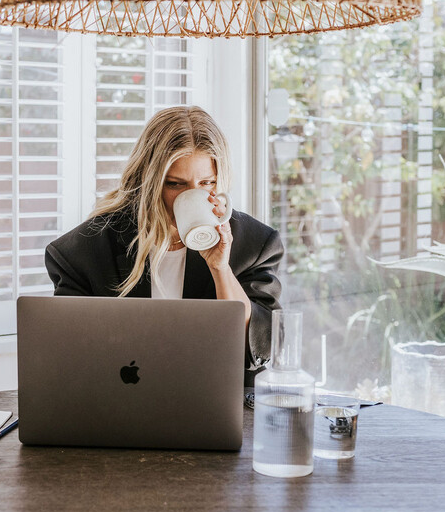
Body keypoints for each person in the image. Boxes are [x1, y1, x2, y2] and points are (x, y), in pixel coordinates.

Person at [45, 105, 284, 385]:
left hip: (215, 404)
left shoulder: (255, 245)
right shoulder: (81, 252)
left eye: (206, 183)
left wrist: (221, 269)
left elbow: (260, 350)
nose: (192, 196)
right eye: (175, 184)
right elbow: (70, 359)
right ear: (147, 181)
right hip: (120, 405)